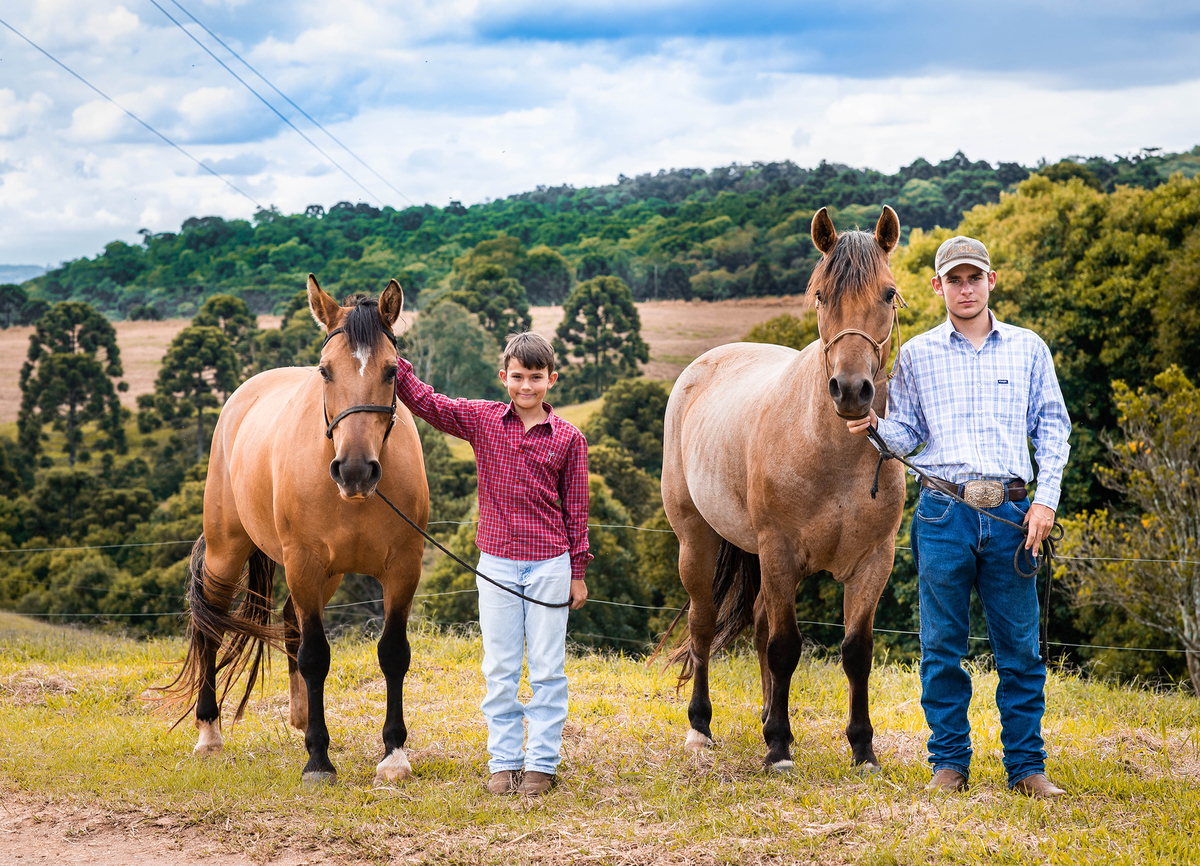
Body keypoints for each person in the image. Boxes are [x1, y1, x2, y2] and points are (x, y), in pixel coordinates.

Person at [846, 235, 1071, 798]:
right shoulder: (917, 355)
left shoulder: (1028, 349)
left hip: (1013, 516)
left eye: (974, 278)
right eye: (954, 279)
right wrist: (874, 427)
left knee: (1020, 651)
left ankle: (1027, 768)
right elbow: (910, 435)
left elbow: (1053, 429)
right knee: (942, 648)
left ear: (991, 281)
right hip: (943, 512)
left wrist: (1045, 500)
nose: (964, 288)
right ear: (937, 286)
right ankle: (949, 763)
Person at [394, 331, 590, 797]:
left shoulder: (568, 438)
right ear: (504, 377)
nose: (527, 386)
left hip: (550, 565)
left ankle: (541, 764)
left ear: (552, 379)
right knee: (500, 668)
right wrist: (391, 359)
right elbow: (428, 403)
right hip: (497, 565)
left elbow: (576, 509)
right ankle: (503, 763)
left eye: (536, 378)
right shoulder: (483, 420)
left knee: (547, 669)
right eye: (518, 376)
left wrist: (577, 573)